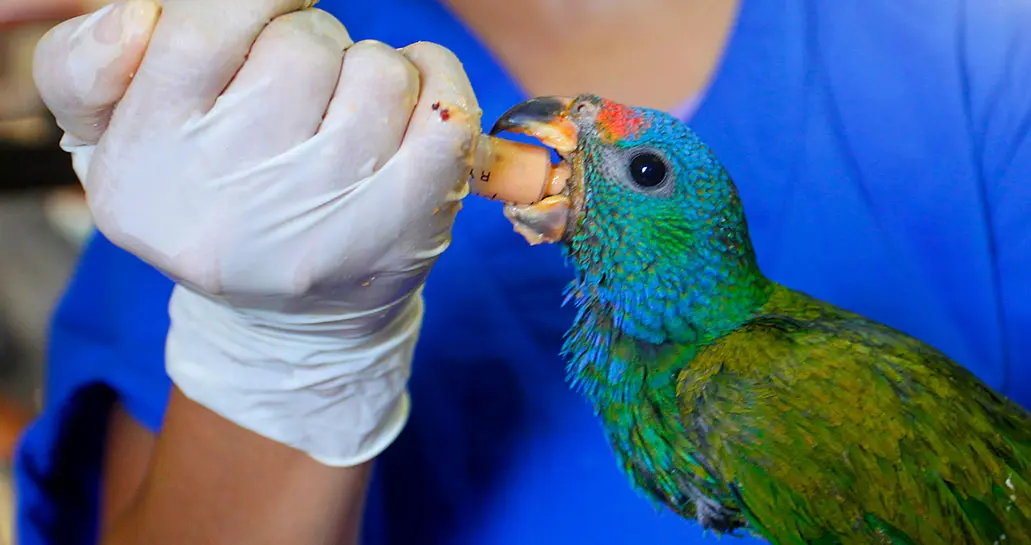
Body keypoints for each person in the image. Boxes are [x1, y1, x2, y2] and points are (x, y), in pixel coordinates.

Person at [14, 0, 1031, 543]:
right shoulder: (253, 109)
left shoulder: (973, 43)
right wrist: (275, 360)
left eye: (636, 167)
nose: (561, 130)